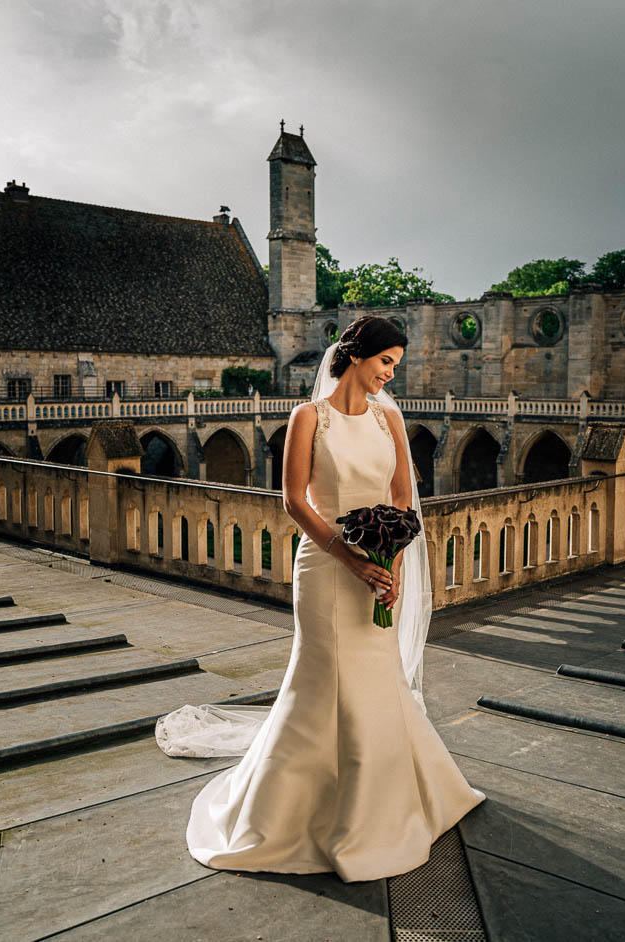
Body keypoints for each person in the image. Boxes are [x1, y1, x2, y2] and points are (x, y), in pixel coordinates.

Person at [159, 314, 484, 882]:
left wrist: (391, 564)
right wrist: (349, 557)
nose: (390, 374)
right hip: (325, 567)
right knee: (322, 675)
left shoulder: (390, 418)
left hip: (379, 565)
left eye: (396, 365)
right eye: (385, 362)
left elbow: (402, 496)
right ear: (356, 356)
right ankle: (295, 810)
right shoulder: (308, 417)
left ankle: (383, 799)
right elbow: (293, 500)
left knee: (376, 676)